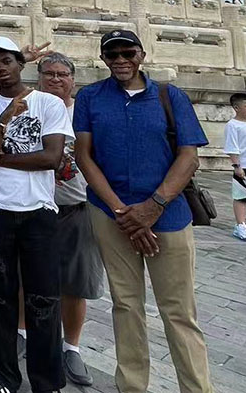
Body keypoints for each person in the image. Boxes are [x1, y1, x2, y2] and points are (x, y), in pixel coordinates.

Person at [74, 29, 213, 393]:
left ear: (142, 54)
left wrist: (152, 208)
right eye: (112, 54)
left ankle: (197, 388)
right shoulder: (90, 97)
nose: (121, 60)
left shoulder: (171, 96)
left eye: (128, 52)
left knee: (179, 310)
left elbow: (189, 156)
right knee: (126, 304)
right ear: (103, 59)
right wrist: (124, 212)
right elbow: (84, 156)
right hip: (111, 211)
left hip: (168, 213)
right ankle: (133, 387)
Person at [0, 35, 73, 393]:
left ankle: (47, 381)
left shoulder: (49, 103)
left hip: (38, 213)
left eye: (7, 62)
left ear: (20, 63)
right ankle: (4, 376)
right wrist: (5, 118)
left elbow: (51, 158)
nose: (1, 69)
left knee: (43, 299)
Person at [25, 53, 104, 387]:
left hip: (77, 207)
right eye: (48, 73)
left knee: (76, 283)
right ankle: (22, 334)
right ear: (39, 76)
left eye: (62, 74)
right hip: (34, 205)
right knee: (24, 277)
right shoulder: (30, 105)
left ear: (74, 78)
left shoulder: (85, 112)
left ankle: (71, 346)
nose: (55, 79)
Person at [226, 93, 246, 240]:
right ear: (236, 108)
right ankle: (240, 225)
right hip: (244, 166)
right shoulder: (232, 125)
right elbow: (232, 147)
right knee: (242, 196)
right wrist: (237, 166)